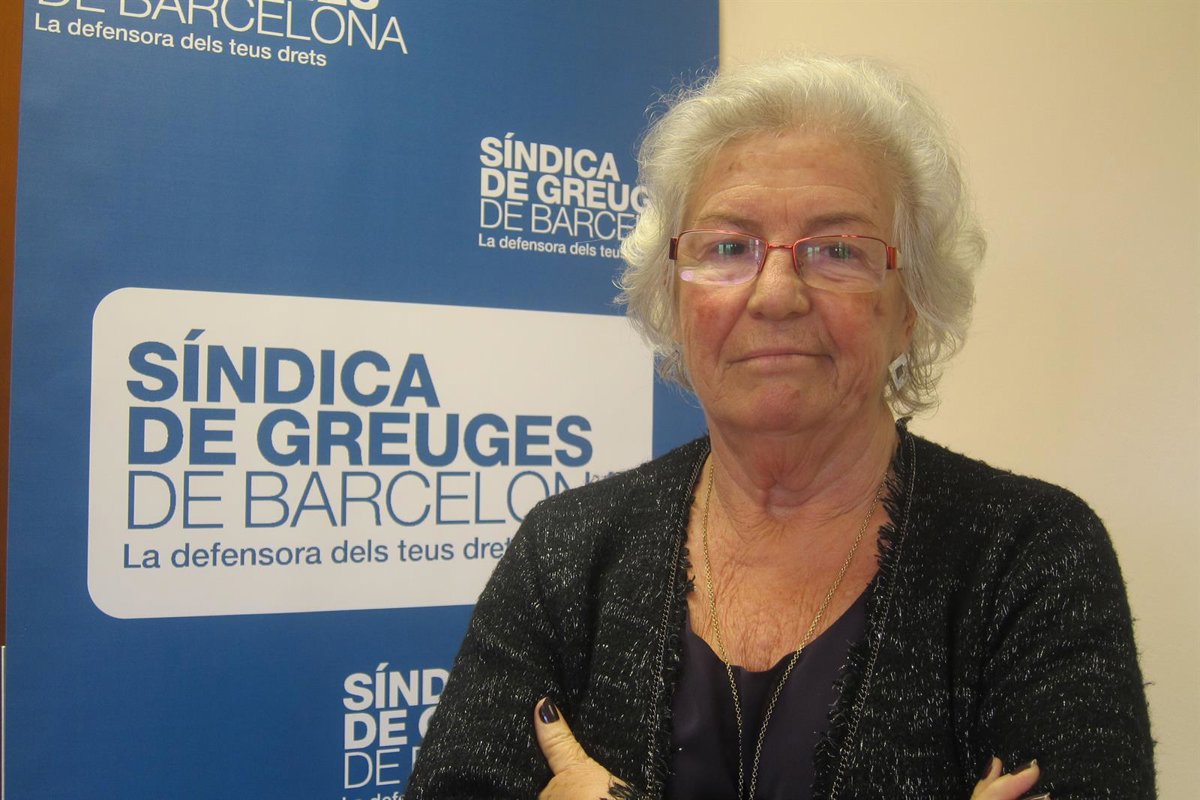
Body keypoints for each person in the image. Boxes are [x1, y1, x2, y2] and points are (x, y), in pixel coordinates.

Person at [406, 55, 1154, 799]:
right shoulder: (566, 550)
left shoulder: (1030, 555)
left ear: (910, 306)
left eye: (837, 251)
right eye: (728, 248)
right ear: (672, 298)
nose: (775, 294)